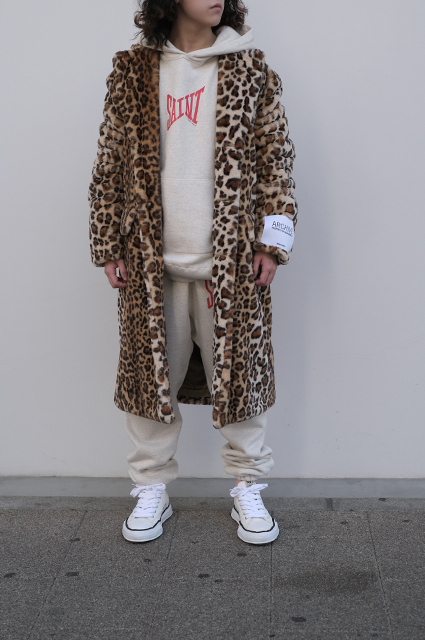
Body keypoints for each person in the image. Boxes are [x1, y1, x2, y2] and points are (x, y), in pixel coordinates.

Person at [88, 0, 297, 545]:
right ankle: (151, 488)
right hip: (150, 263)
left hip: (230, 265)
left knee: (242, 383)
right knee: (148, 387)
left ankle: (248, 485)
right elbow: (109, 162)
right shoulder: (133, 71)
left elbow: (276, 162)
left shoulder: (252, 70)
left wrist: (272, 244)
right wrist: (107, 244)